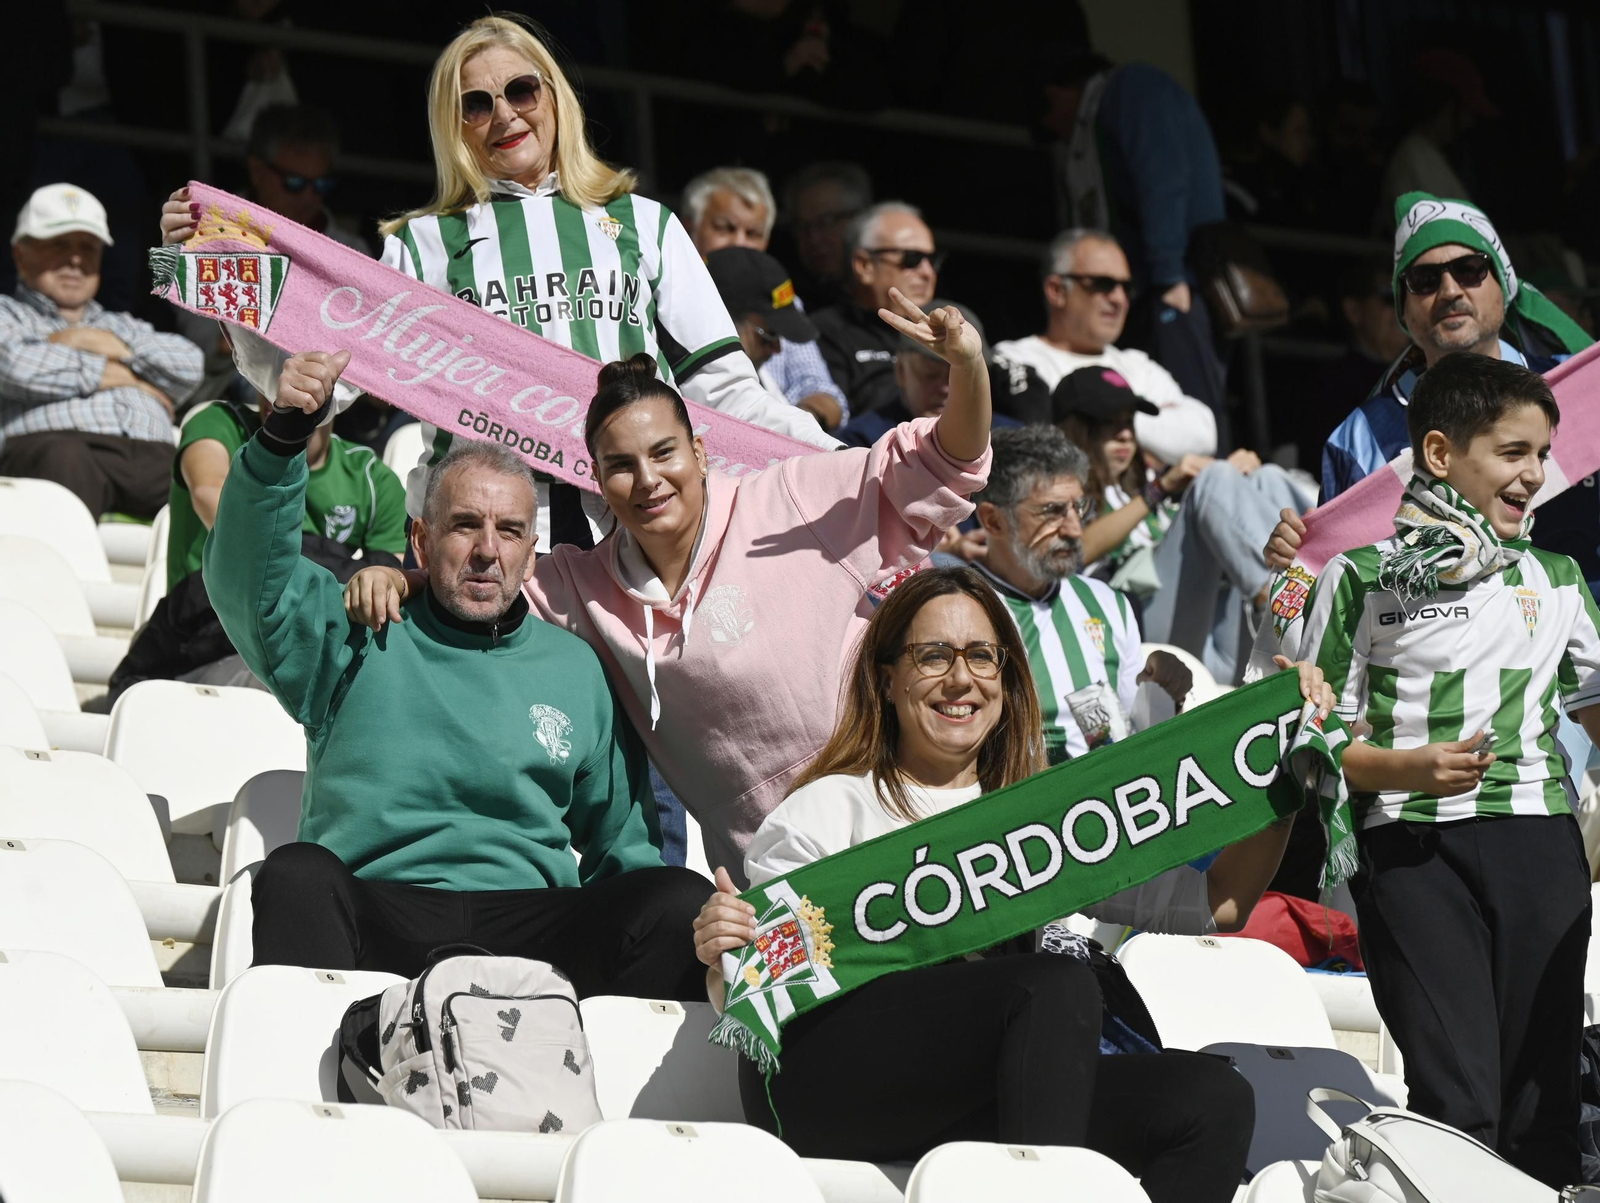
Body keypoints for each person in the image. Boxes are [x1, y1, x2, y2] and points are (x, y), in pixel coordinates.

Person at [694, 566, 1335, 1201]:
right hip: (824, 1085)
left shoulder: (1046, 823)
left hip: (970, 1091)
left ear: (1006, 678)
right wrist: (722, 954)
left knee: (1211, 1099)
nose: (960, 678)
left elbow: (1219, 902)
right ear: (887, 680)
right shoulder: (828, 807)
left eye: (981, 656)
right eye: (933, 656)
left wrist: (1285, 772)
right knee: (1051, 984)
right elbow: (750, 990)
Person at [344, 291, 993, 882]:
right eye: (621, 466)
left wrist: (967, 365)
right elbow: (477, 580)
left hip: (917, 819)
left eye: (664, 453)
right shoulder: (581, 586)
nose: (647, 480)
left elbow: (948, 460)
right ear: (596, 480)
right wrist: (396, 576)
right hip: (787, 875)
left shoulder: (794, 495)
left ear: (701, 452)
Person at [159, 15, 837, 555]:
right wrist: (204, 265)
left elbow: (723, 387)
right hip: (489, 541)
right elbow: (321, 382)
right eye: (477, 105)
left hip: (632, 530)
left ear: (554, 96)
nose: (506, 115)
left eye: (521, 90)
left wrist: (843, 460)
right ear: (455, 128)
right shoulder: (422, 241)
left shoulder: (645, 224)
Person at [211, 349, 706, 999]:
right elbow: (252, 583)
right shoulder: (355, 629)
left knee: (677, 900)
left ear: (532, 554)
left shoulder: (574, 666)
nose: (486, 550)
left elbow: (624, 845)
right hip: (379, 911)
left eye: (509, 530)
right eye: (465, 525)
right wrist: (281, 437)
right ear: (420, 540)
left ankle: (617, 1090)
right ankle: (309, 1094)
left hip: (534, 928)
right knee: (296, 875)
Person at [1261, 353, 1600, 1188]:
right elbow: (1318, 740)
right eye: (1513, 452)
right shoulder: (1359, 576)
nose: (1537, 473)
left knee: (1543, 1097)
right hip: (1410, 851)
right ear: (1441, 454)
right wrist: (1405, 767)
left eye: (1543, 452)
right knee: (1459, 1099)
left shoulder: (1555, 579)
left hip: (1538, 842)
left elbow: (1596, 706)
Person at [1266, 193, 1597, 585]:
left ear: (1504, 288)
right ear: (1403, 309)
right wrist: (1297, 557)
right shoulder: (1359, 438)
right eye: (1424, 280)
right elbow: (1343, 583)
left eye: (1470, 269)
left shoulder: (1585, 391)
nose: (1451, 290)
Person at [106, 389, 407, 701]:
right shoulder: (220, 423)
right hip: (206, 636)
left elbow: (385, 585)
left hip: (308, 643)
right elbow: (227, 519)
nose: (278, 390)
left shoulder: (373, 478)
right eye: (269, 373)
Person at [1057, 366, 1310, 685]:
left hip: (1218, 642)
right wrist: (1162, 488)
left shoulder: (1141, 481)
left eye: (1128, 423)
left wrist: (1240, 481)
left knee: (1266, 478)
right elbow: (1074, 553)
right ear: (1074, 428)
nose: (1125, 434)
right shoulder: (1060, 492)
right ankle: (1287, 603)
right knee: (1214, 478)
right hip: (1145, 634)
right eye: (1109, 423)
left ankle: (1322, 584)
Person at [970, 425, 1192, 763]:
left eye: (1079, 507)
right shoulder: (960, 614)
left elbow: (1138, 740)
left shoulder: (1108, 603)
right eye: (1052, 511)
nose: (1075, 529)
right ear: (993, 520)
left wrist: (1163, 692)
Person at [1034, 53, 1230, 431]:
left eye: (1049, 118)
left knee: (1193, 406)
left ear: (1057, 94)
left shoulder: (1132, 89)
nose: (1057, 130)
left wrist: (1169, 274)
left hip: (1177, 285)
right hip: (1157, 283)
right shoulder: (1119, 96)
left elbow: (1164, 181)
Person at [0, 183, 201, 519]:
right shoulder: (7, 313)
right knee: (66, 457)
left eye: (88, 248)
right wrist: (130, 379)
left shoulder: (121, 325)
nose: (76, 259)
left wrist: (93, 342)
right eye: (59, 245)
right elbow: (12, 363)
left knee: (211, 474)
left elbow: (190, 364)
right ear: (21, 254)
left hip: (153, 454)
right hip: (54, 448)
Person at [993, 227, 1218, 468]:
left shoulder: (1137, 364)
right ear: (1056, 291)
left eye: (1126, 287)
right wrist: (1157, 441)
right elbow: (1043, 445)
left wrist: (1091, 425)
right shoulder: (1015, 358)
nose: (1119, 299)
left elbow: (1203, 435)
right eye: (1104, 284)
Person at [685, 168, 848, 430]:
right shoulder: (663, 295)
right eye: (725, 228)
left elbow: (820, 387)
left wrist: (789, 426)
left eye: (753, 234)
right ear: (687, 226)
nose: (739, 242)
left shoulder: (783, 301)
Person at [812, 201, 941, 418]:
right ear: (864, 265)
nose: (927, 272)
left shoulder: (946, 330)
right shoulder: (824, 332)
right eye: (912, 258)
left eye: (933, 260)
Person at [836, 298, 1017, 449]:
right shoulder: (862, 442)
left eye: (958, 376)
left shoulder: (1013, 440)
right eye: (931, 374)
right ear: (900, 372)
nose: (946, 388)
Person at [1380, 49, 1495, 212]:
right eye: (1467, 112)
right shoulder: (1416, 161)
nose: (1469, 123)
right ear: (1447, 107)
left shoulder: (1426, 156)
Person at [246, 103, 368, 254]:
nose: (308, 198)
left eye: (320, 184)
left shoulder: (353, 253)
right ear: (257, 172)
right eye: (295, 182)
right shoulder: (216, 235)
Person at [781, 160, 871, 309]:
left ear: (861, 219)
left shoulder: (895, 291)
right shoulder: (792, 303)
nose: (813, 239)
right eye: (802, 227)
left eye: (827, 222)